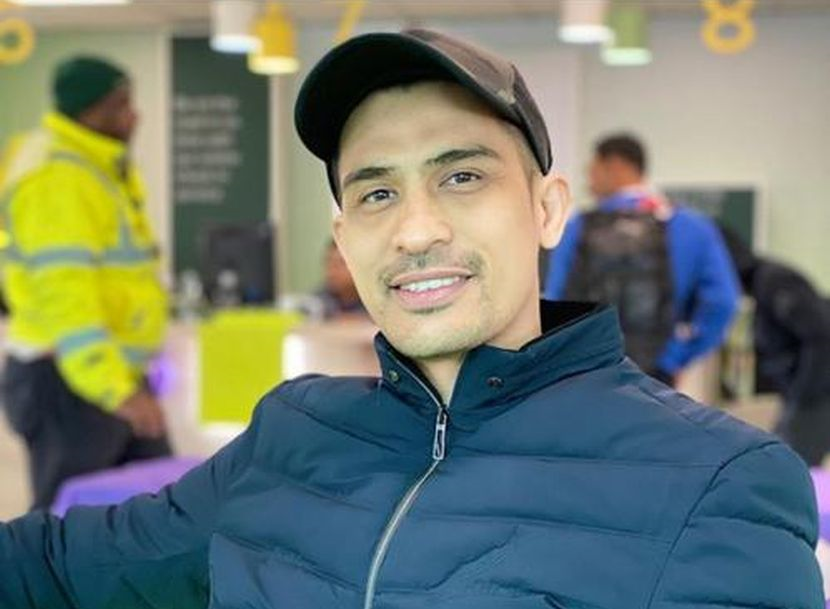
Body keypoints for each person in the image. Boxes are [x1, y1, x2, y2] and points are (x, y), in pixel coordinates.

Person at [0, 30, 821, 609]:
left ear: (547, 209)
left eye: (462, 177)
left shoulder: (718, 481)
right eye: (378, 192)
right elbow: (61, 569)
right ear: (344, 239)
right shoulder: (293, 433)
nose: (415, 229)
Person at [0, 56, 171, 511]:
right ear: (88, 111)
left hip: (103, 374)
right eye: (120, 105)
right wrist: (116, 390)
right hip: (71, 378)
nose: (133, 115)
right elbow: (65, 297)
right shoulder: (57, 177)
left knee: (159, 511)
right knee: (68, 528)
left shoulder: (96, 166)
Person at [544, 134, 739, 385]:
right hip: (655, 375)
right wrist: (676, 358)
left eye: (592, 169)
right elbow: (723, 303)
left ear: (615, 166)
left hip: (586, 374)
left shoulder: (577, 228)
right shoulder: (693, 227)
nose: (588, 179)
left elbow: (555, 304)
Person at [719, 224, 830, 466]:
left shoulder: (773, 282)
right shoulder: (763, 286)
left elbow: (820, 337)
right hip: (805, 394)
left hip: (815, 393)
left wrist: (803, 399)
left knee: (787, 466)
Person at [316, 238, 367, 319]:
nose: (332, 271)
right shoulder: (318, 300)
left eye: (340, 263)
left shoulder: (374, 300)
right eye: (328, 262)